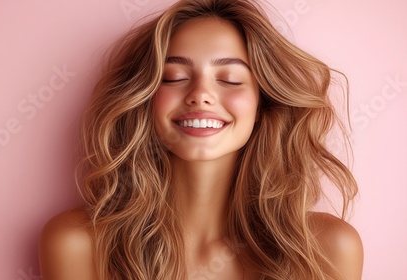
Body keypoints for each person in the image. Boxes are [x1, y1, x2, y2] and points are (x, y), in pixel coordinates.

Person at [38, 0, 364, 279]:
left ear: (262, 105)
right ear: (145, 99)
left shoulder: (329, 248)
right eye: (174, 78)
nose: (200, 95)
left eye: (230, 80)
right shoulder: (78, 244)